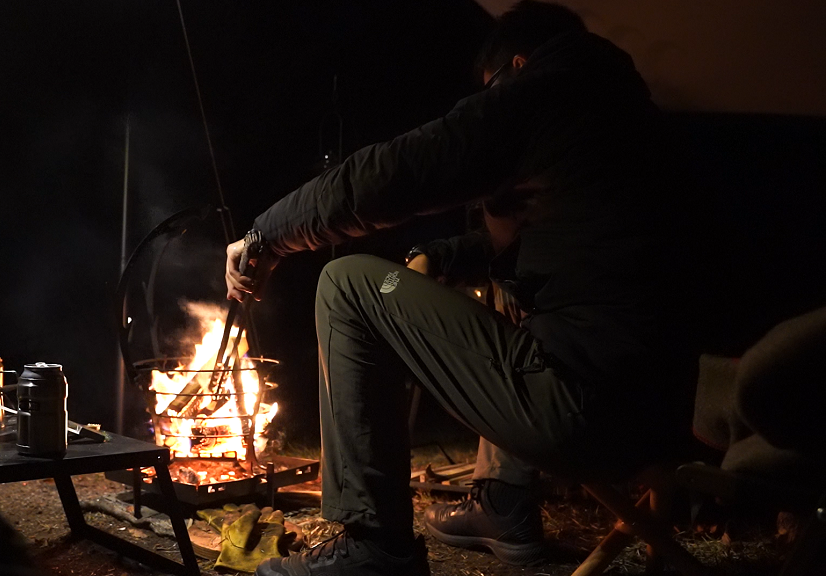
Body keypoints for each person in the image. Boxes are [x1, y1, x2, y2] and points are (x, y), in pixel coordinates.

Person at [224, 2, 701, 574]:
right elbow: (548, 244)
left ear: (517, 65)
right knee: (508, 288)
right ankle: (503, 500)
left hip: (585, 409)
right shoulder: (632, 119)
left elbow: (392, 174)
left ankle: (374, 547)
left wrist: (267, 234)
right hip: (662, 418)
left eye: (491, 88)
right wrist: (441, 256)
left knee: (347, 283)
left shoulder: (543, 94)